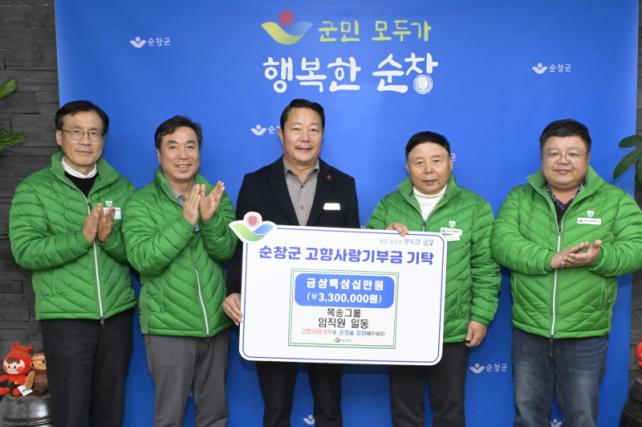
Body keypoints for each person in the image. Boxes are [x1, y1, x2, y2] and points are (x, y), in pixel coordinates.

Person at [491, 119, 642, 427]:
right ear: (542, 157)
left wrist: (600, 257)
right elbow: (502, 244)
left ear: (587, 157)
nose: (563, 161)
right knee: (528, 416)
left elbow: (636, 247)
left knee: (582, 417)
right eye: (554, 153)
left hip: (585, 334)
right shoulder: (520, 198)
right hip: (529, 331)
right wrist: (550, 259)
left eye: (573, 153)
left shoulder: (614, 201)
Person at [223, 98, 360, 427]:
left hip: (327, 314)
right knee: (276, 409)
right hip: (271, 312)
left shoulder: (343, 184)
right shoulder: (255, 182)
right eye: (296, 128)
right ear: (280, 133)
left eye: (314, 129)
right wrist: (234, 291)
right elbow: (243, 246)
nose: (305, 137)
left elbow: (354, 251)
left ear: (323, 134)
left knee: (329, 408)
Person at [9, 100, 136, 427]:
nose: (85, 140)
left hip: (116, 319)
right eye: (76, 132)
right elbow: (26, 251)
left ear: (103, 140)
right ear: (59, 136)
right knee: (71, 414)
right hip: (65, 320)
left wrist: (109, 239)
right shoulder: (34, 189)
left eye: (94, 133)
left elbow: (135, 254)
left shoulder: (122, 188)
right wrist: (81, 238)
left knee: (110, 413)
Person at [366, 130, 500, 427]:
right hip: (401, 328)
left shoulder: (475, 207)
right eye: (419, 162)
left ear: (450, 162)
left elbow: (486, 268)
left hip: (452, 328)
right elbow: (366, 259)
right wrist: (382, 238)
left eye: (436, 160)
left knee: (450, 412)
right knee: (405, 414)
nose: (428, 170)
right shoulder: (389, 205)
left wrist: (480, 316)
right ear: (407, 167)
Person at [122, 115, 236, 427]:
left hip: (215, 326)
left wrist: (209, 221)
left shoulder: (216, 196)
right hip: (168, 329)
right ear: (159, 154)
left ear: (199, 151)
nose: (183, 155)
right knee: (169, 418)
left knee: (214, 417)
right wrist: (186, 223)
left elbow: (226, 252)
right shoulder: (140, 203)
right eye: (173, 146)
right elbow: (144, 260)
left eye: (190, 146)